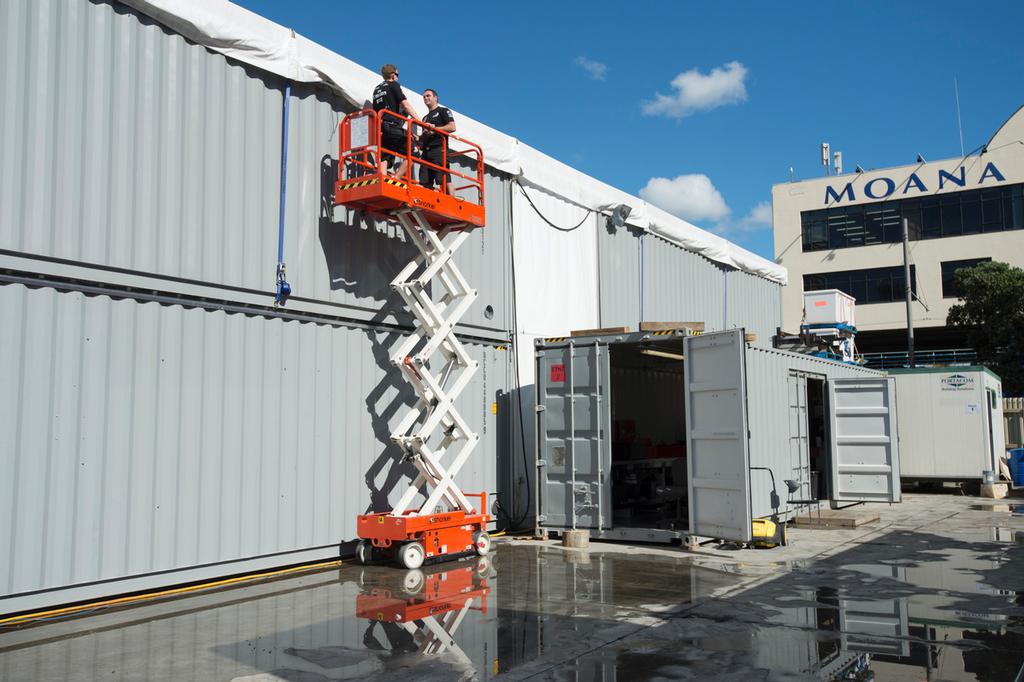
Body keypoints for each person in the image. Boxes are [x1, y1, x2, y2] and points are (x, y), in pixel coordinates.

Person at [372, 64, 419, 177]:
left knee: (385, 155)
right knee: (414, 153)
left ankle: (382, 178)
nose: (397, 77)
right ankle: (396, 177)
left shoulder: (377, 89)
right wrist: (419, 121)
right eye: (397, 75)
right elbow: (405, 105)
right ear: (393, 75)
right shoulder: (393, 85)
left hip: (381, 128)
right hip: (392, 126)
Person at [418, 89, 456, 191]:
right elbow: (424, 137)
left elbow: (452, 127)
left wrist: (434, 129)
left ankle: (452, 203)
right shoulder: (424, 118)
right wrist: (418, 137)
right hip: (426, 152)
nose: (426, 98)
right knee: (425, 182)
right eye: (424, 97)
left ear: (435, 97)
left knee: (444, 179)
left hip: (439, 149)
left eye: (428, 96)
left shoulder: (443, 111)